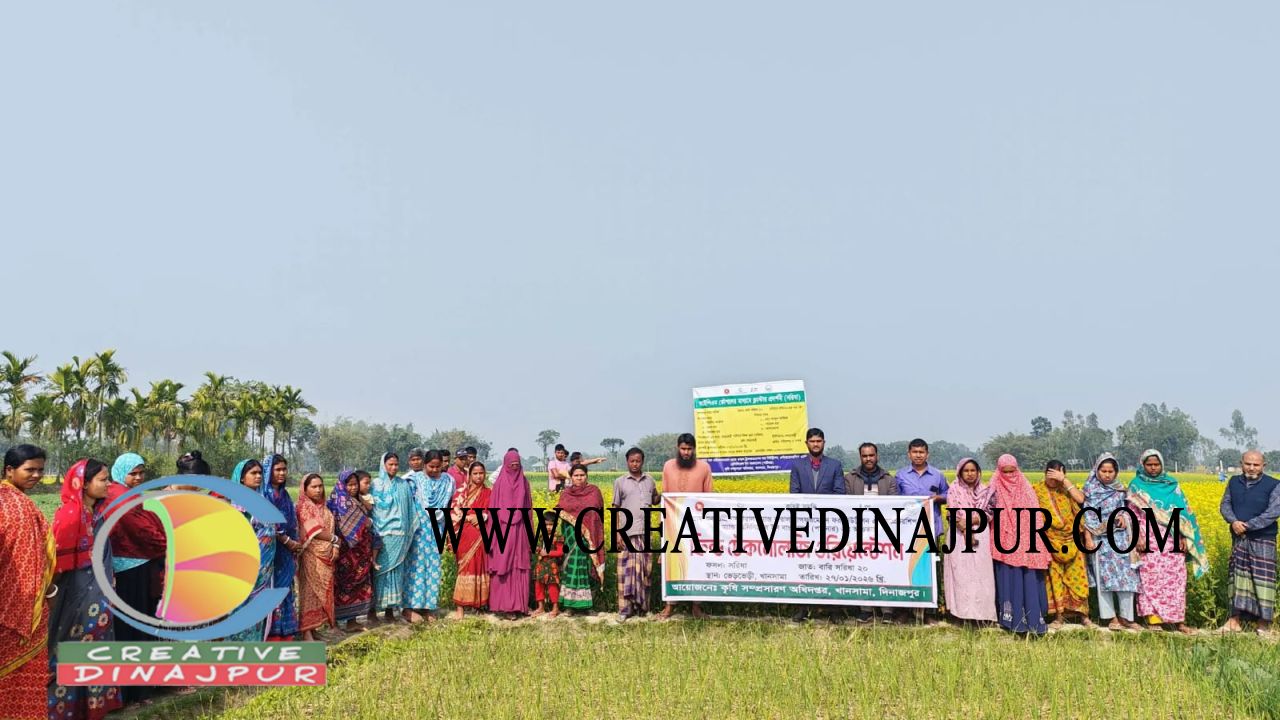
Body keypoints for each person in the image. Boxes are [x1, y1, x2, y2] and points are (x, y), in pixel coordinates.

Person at [48, 459, 122, 720]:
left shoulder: (97, 514)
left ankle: (91, 707)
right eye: (103, 479)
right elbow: (55, 568)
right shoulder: (69, 517)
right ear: (84, 483)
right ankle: (63, 710)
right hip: (75, 600)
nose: (108, 484)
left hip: (98, 599)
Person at [0, 444, 55, 720]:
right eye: (29, 469)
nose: (36, 475)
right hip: (18, 616)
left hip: (20, 606)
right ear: (9, 470)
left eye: (40, 470)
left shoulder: (16, 502)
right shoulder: (17, 507)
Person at [1128, 449, 1207, 634]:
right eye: (1149, 465)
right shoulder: (1136, 486)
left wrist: (1182, 537)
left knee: (1176, 579)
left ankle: (1178, 621)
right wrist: (1137, 537)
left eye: (1156, 464)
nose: (1153, 468)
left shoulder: (1172, 485)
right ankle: (1153, 621)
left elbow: (1182, 513)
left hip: (1171, 538)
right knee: (1150, 578)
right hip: (1148, 538)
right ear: (1143, 465)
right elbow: (1131, 514)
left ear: (1162, 465)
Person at [103, 453, 166, 644]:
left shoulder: (121, 492)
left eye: (141, 473)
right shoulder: (122, 498)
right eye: (133, 473)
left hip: (128, 560)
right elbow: (142, 531)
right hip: (133, 564)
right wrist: (167, 544)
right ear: (121, 472)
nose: (138, 477)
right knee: (135, 613)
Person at [988, 454, 1050, 635]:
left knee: (1028, 578)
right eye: (1005, 472)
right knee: (1009, 579)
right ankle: (1011, 620)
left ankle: (1033, 619)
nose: (1009, 476)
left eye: (1012, 472)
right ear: (999, 471)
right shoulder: (993, 488)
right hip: (1004, 541)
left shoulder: (1026, 488)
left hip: (1026, 541)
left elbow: (1035, 517)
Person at [1219, 450, 1279, 635]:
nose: (1251, 468)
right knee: (1237, 579)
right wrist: (1234, 522)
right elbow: (1225, 505)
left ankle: (1263, 624)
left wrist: (1249, 526)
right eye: (1248, 464)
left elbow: (1273, 511)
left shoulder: (1274, 484)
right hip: (1239, 538)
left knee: (1263, 581)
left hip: (1263, 538)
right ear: (1241, 463)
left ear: (1263, 465)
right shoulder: (1233, 482)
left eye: (1256, 464)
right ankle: (1234, 621)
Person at [789, 428, 844, 622]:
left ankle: (833, 610)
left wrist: (823, 509)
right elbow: (794, 494)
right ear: (806, 443)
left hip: (829, 524)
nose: (815, 444)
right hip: (804, 525)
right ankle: (802, 608)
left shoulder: (835, 465)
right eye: (812, 441)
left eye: (819, 441)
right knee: (803, 566)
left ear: (824, 443)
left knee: (830, 566)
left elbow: (839, 493)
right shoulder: (797, 466)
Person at [1081, 452, 1141, 631]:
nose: (1107, 474)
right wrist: (1088, 536)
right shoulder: (1090, 490)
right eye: (1103, 471)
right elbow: (1086, 514)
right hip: (1100, 539)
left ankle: (1126, 617)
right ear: (1097, 471)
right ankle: (1111, 617)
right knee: (1103, 579)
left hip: (1121, 538)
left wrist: (1123, 515)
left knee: (1127, 577)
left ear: (1116, 472)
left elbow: (1126, 508)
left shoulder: (1120, 489)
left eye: (1110, 471)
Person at [659, 433, 713, 619]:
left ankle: (696, 606)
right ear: (677, 448)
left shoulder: (704, 468)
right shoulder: (668, 466)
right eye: (683, 449)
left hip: (696, 525)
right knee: (671, 563)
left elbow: (709, 498)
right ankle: (669, 606)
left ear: (694, 449)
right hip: (672, 524)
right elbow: (665, 496)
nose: (686, 453)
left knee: (696, 563)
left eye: (689, 449)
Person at [1034, 460, 1092, 628]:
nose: (1054, 479)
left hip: (1073, 541)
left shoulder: (1067, 490)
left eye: (1058, 475)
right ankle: (1059, 617)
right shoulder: (1037, 490)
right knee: (1055, 580)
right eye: (1050, 474)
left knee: (1078, 581)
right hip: (1050, 542)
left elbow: (1081, 503)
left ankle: (1084, 616)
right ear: (1045, 472)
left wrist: (1064, 481)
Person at [224, 460, 276, 643]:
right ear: (241, 478)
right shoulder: (238, 506)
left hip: (265, 569)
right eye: (253, 473)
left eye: (260, 473)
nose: (258, 477)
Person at [943, 458, 996, 625]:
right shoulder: (954, 489)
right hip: (958, 536)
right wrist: (965, 529)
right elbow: (952, 513)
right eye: (966, 471)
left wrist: (972, 522)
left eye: (973, 470)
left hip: (980, 533)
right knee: (961, 573)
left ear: (978, 472)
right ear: (960, 472)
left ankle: (981, 614)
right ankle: (961, 614)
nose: (970, 474)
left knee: (981, 573)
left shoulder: (986, 491)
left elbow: (989, 512)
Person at [404, 450, 454, 623]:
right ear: (424, 465)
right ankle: (409, 607)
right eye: (431, 466)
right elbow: (406, 503)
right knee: (415, 565)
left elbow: (449, 505)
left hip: (437, 529)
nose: (434, 470)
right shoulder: (414, 480)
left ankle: (429, 607)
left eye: (438, 467)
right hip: (418, 530)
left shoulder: (448, 481)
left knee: (433, 567)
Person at [328, 470, 379, 632]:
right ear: (342, 484)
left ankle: (352, 620)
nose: (353, 488)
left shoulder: (359, 501)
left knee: (359, 585)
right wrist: (365, 523)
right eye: (349, 485)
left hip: (361, 553)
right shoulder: (335, 502)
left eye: (355, 484)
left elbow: (366, 518)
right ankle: (335, 622)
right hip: (344, 552)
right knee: (343, 586)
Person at [613, 447, 658, 620]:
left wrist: (668, 495)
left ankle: (643, 608)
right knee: (625, 572)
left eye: (638, 461)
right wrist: (617, 533)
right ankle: (624, 611)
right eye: (631, 461)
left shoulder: (650, 481)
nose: (634, 464)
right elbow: (615, 508)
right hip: (627, 533)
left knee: (645, 571)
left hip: (645, 533)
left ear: (642, 461)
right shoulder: (620, 482)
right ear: (627, 462)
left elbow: (655, 499)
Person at [488, 450, 533, 617]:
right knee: (503, 566)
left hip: (520, 529)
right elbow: (493, 510)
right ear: (505, 465)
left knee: (519, 566)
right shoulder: (499, 484)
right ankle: (505, 606)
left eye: (517, 466)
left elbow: (528, 509)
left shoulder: (524, 483)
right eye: (511, 466)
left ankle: (520, 606)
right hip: (502, 529)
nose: (514, 469)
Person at [555, 464, 605, 613]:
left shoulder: (594, 491)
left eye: (582, 475)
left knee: (585, 567)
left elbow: (598, 514)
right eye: (576, 475)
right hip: (571, 536)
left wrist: (592, 532)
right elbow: (561, 513)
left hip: (589, 537)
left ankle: (587, 605)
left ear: (586, 476)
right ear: (571, 477)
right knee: (572, 566)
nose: (579, 478)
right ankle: (570, 605)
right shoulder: (566, 493)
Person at [372, 453, 415, 622]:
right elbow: (370, 508)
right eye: (390, 464)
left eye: (396, 464)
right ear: (383, 465)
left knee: (396, 574)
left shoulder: (403, 485)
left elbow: (409, 509)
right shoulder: (375, 485)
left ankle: (391, 611)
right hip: (380, 536)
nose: (394, 468)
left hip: (399, 535)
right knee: (378, 574)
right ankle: (373, 611)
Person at [261, 454, 300, 639]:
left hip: (286, 554)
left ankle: (287, 631)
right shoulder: (264, 494)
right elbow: (268, 523)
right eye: (278, 469)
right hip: (270, 551)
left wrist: (294, 543)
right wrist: (286, 541)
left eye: (284, 469)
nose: (282, 473)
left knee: (286, 590)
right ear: (269, 471)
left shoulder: (284, 495)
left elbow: (291, 522)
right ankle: (272, 633)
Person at [296, 473, 338, 641]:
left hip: (327, 555)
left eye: (320, 486)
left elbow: (329, 529)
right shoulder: (303, 507)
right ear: (304, 489)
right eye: (313, 487)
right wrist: (335, 540)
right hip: (310, 556)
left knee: (322, 593)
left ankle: (314, 628)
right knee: (309, 592)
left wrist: (334, 544)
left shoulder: (323, 507)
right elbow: (315, 531)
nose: (318, 490)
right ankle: (306, 631)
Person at [451, 461, 491, 618]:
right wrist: (469, 517)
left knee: (479, 566)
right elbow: (454, 512)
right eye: (475, 473)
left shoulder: (489, 492)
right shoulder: (462, 492)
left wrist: (483, 516)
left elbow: (493, 512)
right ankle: (460, 607)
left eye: (481, 473)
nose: (478, 476)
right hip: (464, 534)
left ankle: (479, 605)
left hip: (481, 534)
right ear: (470, 475)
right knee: (464, 568)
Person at [531, 514, 565, 618]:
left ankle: (555, 608)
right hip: (540, 565)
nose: (549, 527)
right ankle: (541, 607)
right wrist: (537, 550)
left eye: (551, 525)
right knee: (538, 586)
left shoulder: (558, 537)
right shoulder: (541, 536)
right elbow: (537, 548)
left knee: (552, 586)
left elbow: (560, 552)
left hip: (552, 566)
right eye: (546, 525)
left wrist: (548, 553)